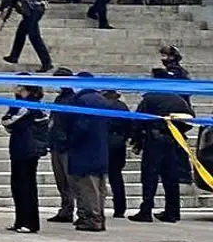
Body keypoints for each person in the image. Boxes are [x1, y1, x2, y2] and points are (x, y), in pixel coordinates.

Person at [130, 68, 196, 223]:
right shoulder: (178, 99)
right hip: (174, 141)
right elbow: (190, 119)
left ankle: (146, 210)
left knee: (149, 177)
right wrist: (177, 131)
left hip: (154, 140)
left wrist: (136, 140)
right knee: (170, 177)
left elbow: (139, 120)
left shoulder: (150, 98)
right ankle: (172, 211)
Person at [65, 72, 114, 232]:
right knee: (100, 187)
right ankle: (99, 216)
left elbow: (81, 126)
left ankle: (92, 219)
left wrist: (71, 140)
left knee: (87, 187)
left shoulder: (81, 100)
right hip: (101, 149)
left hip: (85, 151)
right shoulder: (102, 100)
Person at [2, 76, 50, 233]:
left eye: (19, 85)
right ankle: (20, 220)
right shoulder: (25, 105)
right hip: (21, 148)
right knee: (18, 185)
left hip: (26, 149)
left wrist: (10, 121)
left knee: (26, 186)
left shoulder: (28, 106)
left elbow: (8, 122)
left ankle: (29, 222)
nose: (16, 88)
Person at [46, 68, 78, 224]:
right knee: (61, 180)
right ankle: (65, 208)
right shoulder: (59, 99)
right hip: (56, 143)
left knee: (69, 180)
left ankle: (71, 208)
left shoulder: (72, 99)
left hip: (66, 145)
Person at [104, 88, 132, 218]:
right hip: (119, 142)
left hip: (105, 142)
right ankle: (120, 208)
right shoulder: (122, 106)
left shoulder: (103, 105)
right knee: (116, 177)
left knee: (100, 176)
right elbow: (129, 125)